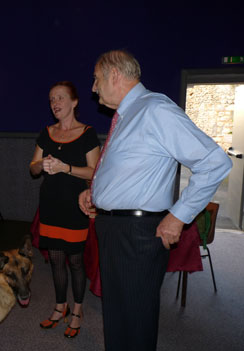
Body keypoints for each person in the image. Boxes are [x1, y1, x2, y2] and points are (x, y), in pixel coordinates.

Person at [79, 50, 232, 351]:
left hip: (136, 235)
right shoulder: (127, 114)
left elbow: (215, 162)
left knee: (135, 321)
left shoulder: (154, 109)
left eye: (96, 79)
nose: (93, 88)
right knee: (118, 317)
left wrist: (178, 216)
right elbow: (131, 170)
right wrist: (96, 192)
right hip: (115, 229)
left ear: (114, 75)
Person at [30, 81, 100, 338]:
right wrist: (43, 164)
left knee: (75, 261)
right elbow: (33, 167)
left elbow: (95, 172)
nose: (55, 103)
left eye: (60, 98)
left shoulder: (87, 133)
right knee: (56, 260)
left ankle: (77, 311)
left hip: (75, 207)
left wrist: (65, 168)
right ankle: (60, 306)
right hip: (50, 205)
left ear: (74, 102)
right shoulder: (46, 132)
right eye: (51, 99)